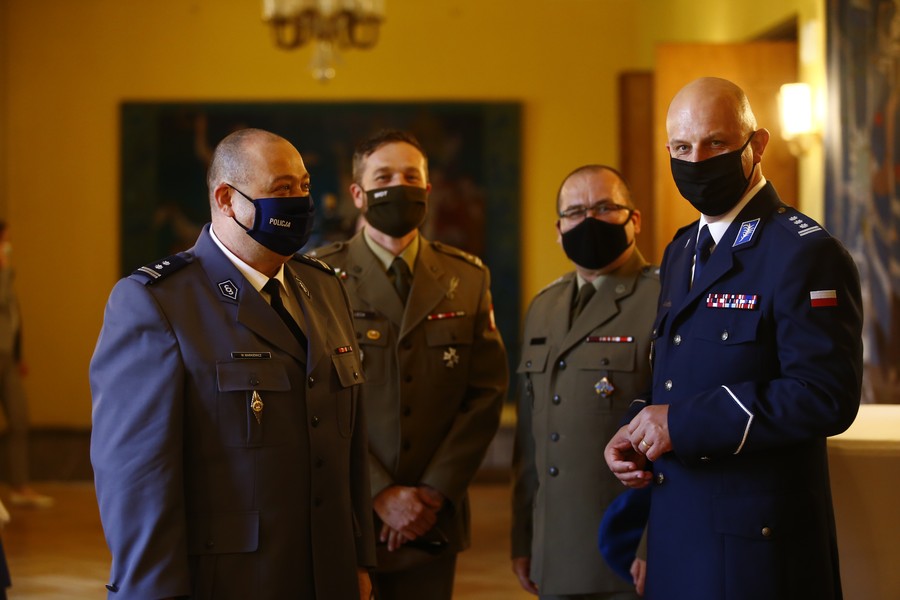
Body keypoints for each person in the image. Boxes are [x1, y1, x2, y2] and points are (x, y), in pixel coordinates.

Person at [604, 77, 864, 599]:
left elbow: (825, 396)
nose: (697, 160)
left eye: (716, 143)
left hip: (756, 550)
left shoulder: (803, 252)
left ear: (757, 144)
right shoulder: (682, 250)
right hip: (678, 531)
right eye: (682, 148)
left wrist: (680, 423)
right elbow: (676, 374)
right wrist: (637, 427)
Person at [90, 128, 376, 600]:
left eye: (304, 186)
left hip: (330, 575)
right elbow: (136, 482)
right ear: (226, 199)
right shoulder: (158, 302)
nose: (300, 201)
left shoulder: (324, 287)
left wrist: (360, 560)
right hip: (231, 580)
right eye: (282, 189)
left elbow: (350, 450)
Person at [312, 129, 508, 600]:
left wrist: (432, 493)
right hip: (347, 512)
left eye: (410, 177)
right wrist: (380, 493)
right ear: (358, 193)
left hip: (431, 520)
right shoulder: (317, 277)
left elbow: (485, 394)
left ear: (427, 189)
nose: (399, 186)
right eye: (383, 177)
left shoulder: (467, 277)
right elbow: (312, 397)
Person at [510, 165, 657, 599]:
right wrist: (524, 538)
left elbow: (683, 438)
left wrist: (655, 542)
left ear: (634, 219)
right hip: (555, 551)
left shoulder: (666, 298)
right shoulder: (544, 306)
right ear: (558, 230)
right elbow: (531, 440)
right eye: (575, 212)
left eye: (605, 207)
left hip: (626, 553)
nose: (589, 220)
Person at [0, 222, 52, 508]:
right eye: (4, 240)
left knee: (19, 420)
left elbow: (13, 316)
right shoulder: (4, 274)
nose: (8, 246)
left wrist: (19, 355)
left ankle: (20, 486)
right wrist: (4, 271)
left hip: (8, 357)